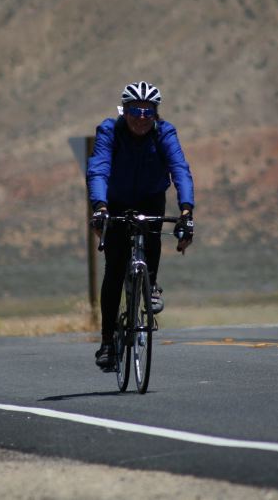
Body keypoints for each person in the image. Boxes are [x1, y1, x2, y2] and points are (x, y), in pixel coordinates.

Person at [86, 81, 195, 370]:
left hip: (150, 198)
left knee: (153, 233)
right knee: (114, 269)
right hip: (116, 202)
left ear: (156, 113)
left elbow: (180, 169)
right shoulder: (109, 130)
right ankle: (108, 342)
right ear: (125, 111)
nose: (142, 118)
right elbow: (97, 169)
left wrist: (187, 210)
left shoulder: (165, 133)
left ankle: (153, 285)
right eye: (136, 110)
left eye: (149, 111)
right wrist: (100, 207)